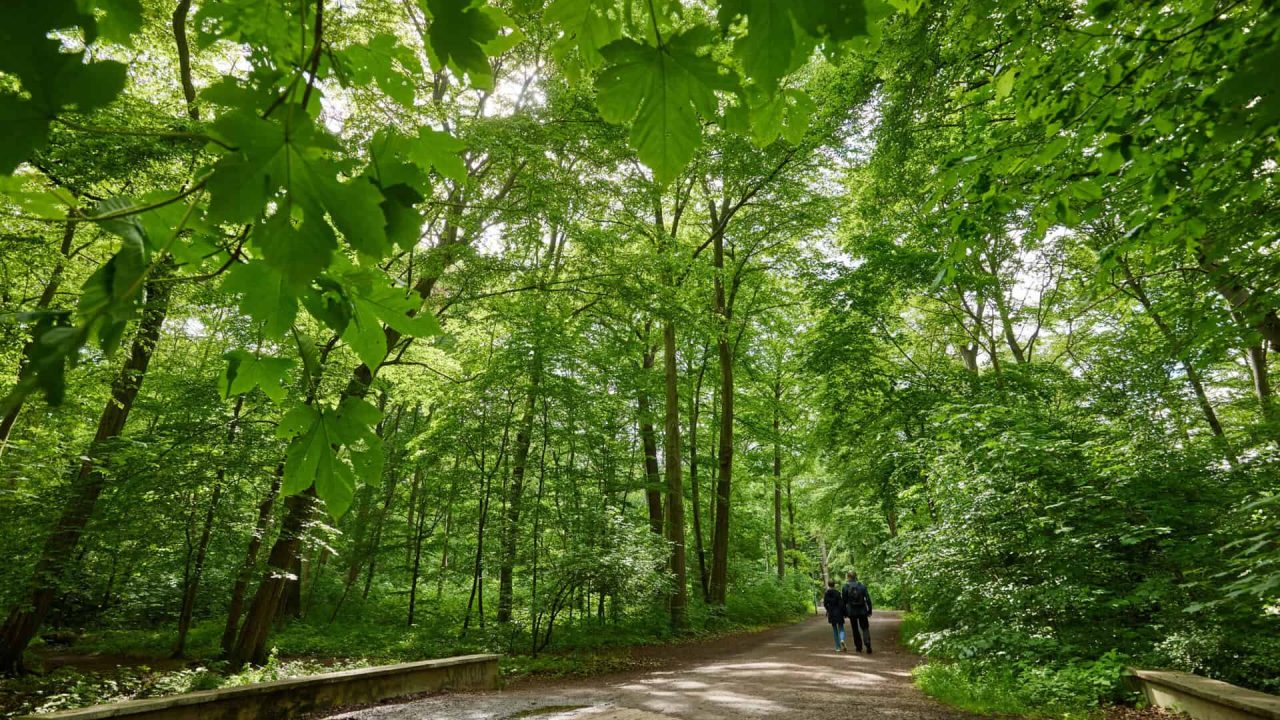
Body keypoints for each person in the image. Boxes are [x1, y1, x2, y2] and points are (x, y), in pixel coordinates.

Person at [842, 571, 873, 653]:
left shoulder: (845, 587)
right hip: (862, 610)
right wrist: (869, 610)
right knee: (865, 627)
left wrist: (844, 613)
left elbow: (844, 602)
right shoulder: (862, 586)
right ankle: (867, 643)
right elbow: (868, 599)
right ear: (856, 576)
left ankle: (858, 647)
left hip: (852, 611)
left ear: (848, 577)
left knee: (855, 629)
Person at [822, 580, 847, 652]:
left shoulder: (826, 593)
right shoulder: (838, 593)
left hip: (832, 613)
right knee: (841, 628)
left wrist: (828, 610)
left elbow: (825, 604)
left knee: (835, 630)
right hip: (839, 612)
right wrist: (844, 613)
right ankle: (842, 639)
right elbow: (841, 604)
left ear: (829, 585)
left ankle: (837, 647)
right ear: (834, 585)